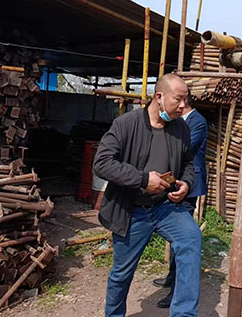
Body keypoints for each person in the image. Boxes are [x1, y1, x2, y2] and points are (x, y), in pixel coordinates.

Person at [94, 74, 202, 317]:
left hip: (165, 207)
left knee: (191, 237)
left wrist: (186, 183)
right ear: (159, 97)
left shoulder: (181, 127)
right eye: (178, 99)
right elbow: (102, 164)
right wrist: (143, 180)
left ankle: (184, 314)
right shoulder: (126, 124)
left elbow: (187, 162)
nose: (183, 106)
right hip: (131, 210)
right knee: (122, 273)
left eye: (186, 100)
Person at [153, 93, 207, 308]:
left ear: (183, 103)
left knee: (183, 238)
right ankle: (171, 277)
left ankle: (176, 290)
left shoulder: (197, 122)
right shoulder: (179, 121)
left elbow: (184, 149)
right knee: (176, 239)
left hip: (189, 185)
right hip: (176, 183)